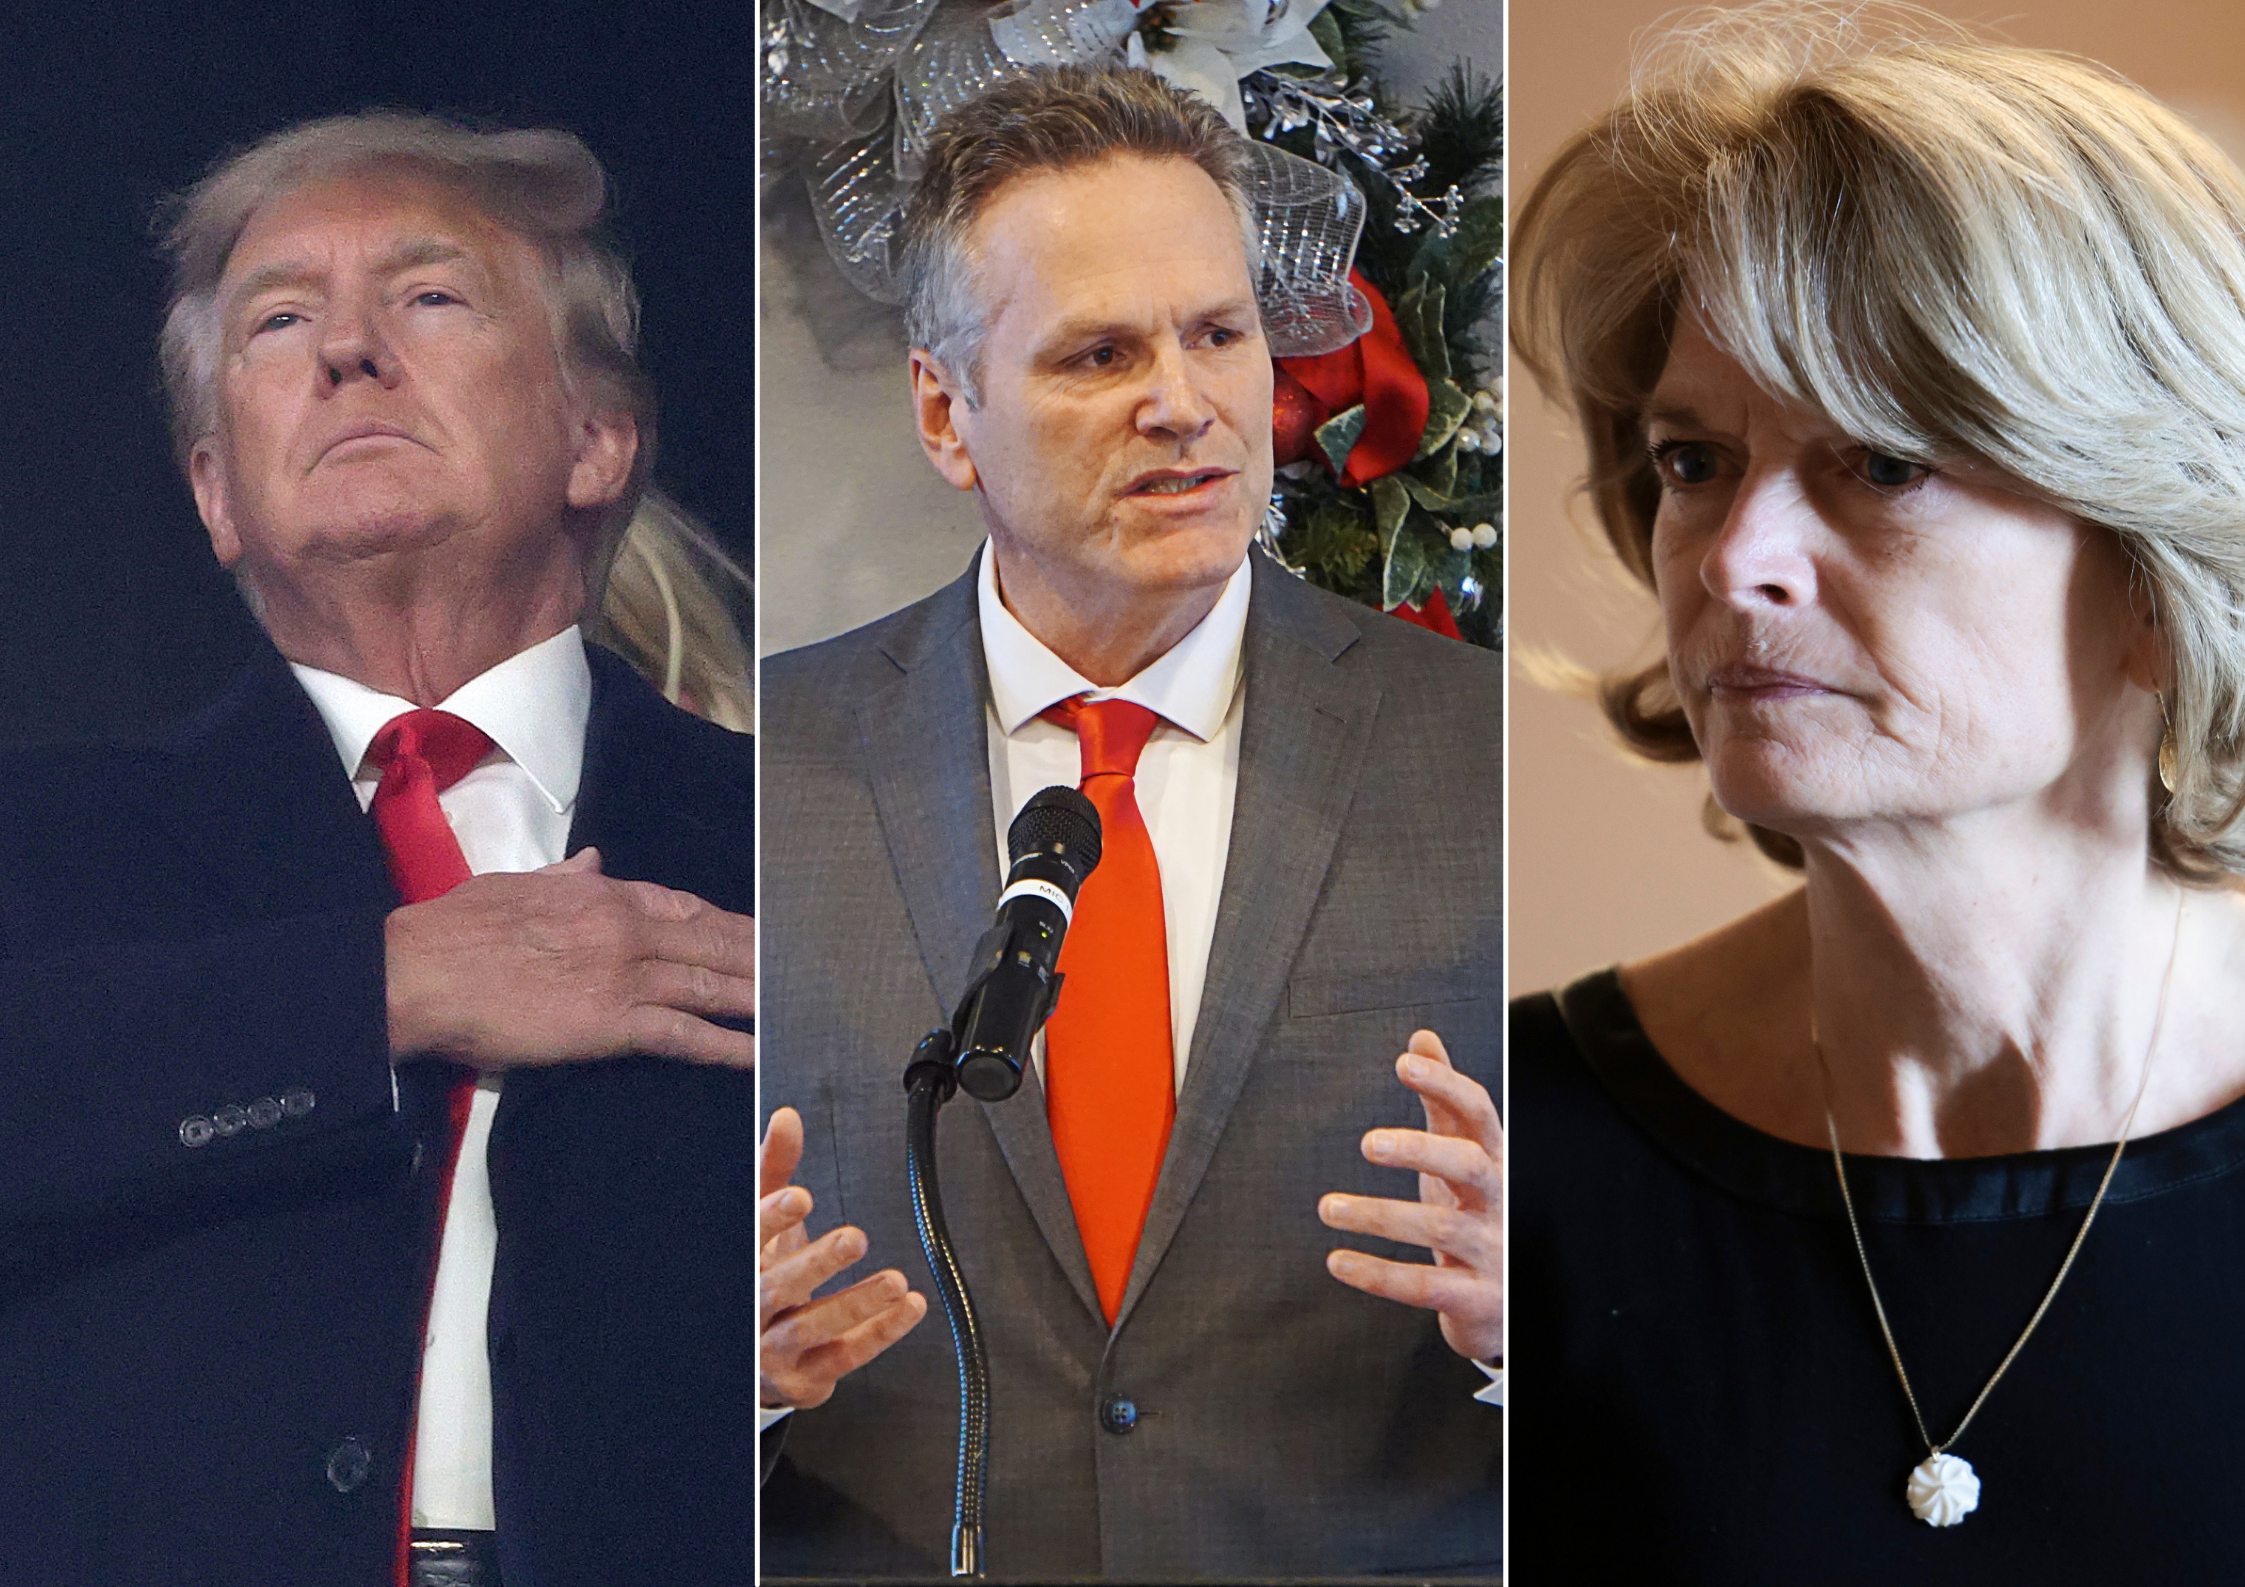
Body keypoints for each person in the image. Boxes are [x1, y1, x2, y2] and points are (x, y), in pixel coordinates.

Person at [1509, 8, 2245, 1581]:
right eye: (1696, 458)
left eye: (1884, 464)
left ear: (2154, 568)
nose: (1732, 558)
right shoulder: (1514, 1159)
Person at [758, 65, 1503, 1579]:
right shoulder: (756, 768)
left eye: (1218, 333)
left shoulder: (1485, 754)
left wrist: (1539, 1316)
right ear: (945, 410)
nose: (1184, 400)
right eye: (1099, 352)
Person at [0, 113, 760, 1586]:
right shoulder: (43, 844)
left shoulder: (771, 831)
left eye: (429, 297)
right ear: (218, 490)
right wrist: (378, 987)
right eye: (282, 319)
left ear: (597, 437)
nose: (348, 351)